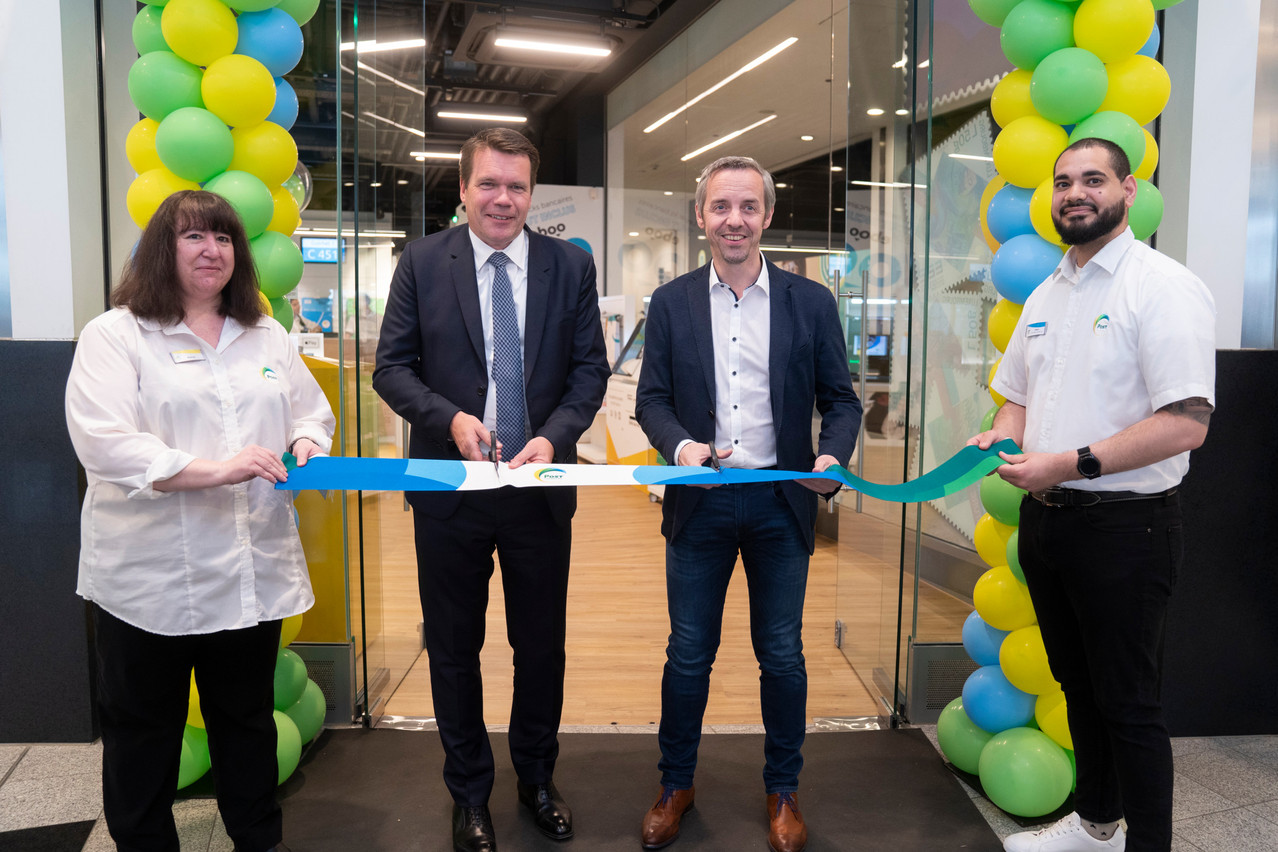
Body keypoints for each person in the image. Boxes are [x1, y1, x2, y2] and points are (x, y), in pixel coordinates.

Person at [65, 190, 335, 852]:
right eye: (193, 237)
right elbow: (105, 443)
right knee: (142, 733)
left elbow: (310, 413)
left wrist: (306, 444)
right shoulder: (116, 334)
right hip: (147, 582)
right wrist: (220, 468)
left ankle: (259, 840)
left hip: (250, 572)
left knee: (245, 725)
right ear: (163, 248)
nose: (212, 249)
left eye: (223, 237)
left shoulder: (266, 333)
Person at [970, 138, 1216, 852]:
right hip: (1049, 527)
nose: (1075, 192)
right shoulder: (1050, 291)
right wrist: (1005, 438)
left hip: (1128, 531)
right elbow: (1015, 397)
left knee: (1130, 707)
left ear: (1128, 190)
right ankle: (1096, 827)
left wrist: (1067, 464)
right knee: (1079, 688)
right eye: (1063, 182)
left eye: (1093, 180)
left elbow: (1187, 424)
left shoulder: (1161, 286)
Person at [372, 128, 609, 852]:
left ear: (531, 194)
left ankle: (536, 780)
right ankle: (468, 792)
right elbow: (392, 367)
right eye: (488, 184)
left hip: (538, 491)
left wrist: (557, 435)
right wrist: (450, 420)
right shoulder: (420, 262)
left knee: (541, 649)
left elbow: (588, 373)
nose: (502, 198)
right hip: (451, 493)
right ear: (464, 189)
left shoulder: (570, 266)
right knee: (453, 648)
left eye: (515, 186)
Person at [633, 155, 862, 852]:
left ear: (765, 215)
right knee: (689, 654)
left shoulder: (811, 303)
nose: (735, 220)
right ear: (701, 216)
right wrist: (680, 448)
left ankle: (783, 790)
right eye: (721, 207)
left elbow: (842, 401)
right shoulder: (671, 304)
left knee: (783, 655)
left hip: (781, 504)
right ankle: (676, 784)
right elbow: (652, 401)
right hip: (701, 505)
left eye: (748, 207)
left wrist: (832, 457)